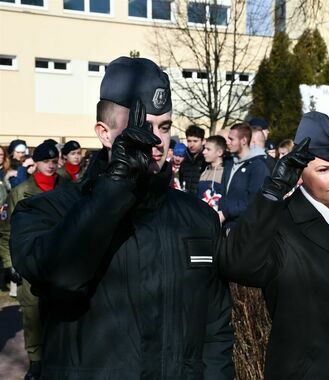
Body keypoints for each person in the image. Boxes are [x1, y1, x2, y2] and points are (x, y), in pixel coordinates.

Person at [9, 56, 234, 379]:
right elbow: (59, 278)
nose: (156, 141)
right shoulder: (48, 210)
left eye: (165, 127)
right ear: (104, 133)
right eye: (142, 128)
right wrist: (116, 187)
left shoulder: (197, 218)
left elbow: (216, 329)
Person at [219, 111, 329, 379]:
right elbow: (238, 265)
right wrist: (274, 189)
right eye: (324, 169)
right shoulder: (280, 222)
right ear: (301, 173)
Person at [1, 140, 61, 379]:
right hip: (30, 265)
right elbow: (6, 232)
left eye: (54, 161)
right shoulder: (20, 192)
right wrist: (9, 264)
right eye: (45, 161)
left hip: (60, 265)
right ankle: (35, 364)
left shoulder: (67, 188)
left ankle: (57, 361)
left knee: (60, 316)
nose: (50, 166)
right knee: (32, 316)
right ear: (35, 163)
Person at [218, 123, 269, 231]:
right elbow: (224, 192)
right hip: (225, 226)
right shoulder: (230, 163)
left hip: (244, 229)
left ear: (244, 141)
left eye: (232, 139)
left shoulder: (258, 166)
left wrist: (226, 212)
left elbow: (254, 200)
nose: (228, 142)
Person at [198, 135, 226, 210]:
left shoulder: (225, 173)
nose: (204, 152)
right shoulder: (204, 172)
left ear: (219, 152)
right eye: (204, 148)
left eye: (208, 149)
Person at [180, 125, 207, 195]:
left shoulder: (207, 160)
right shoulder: (184, 159)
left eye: (195, 141)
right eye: (189, 141)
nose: (191, 145)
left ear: (203, 141)